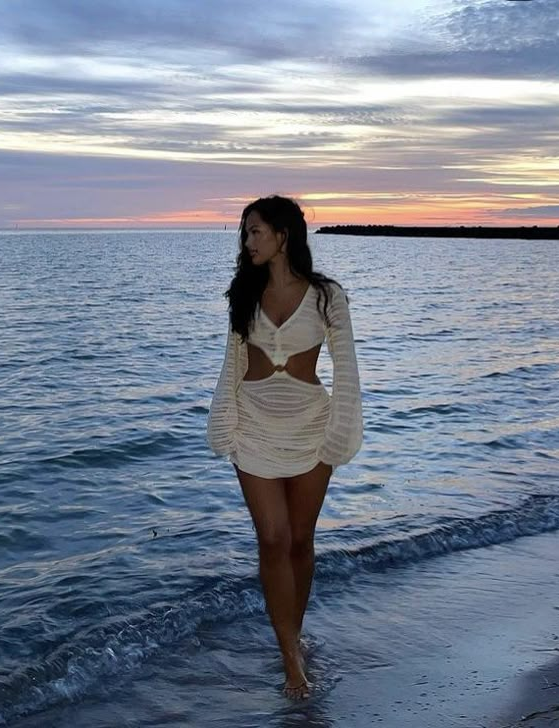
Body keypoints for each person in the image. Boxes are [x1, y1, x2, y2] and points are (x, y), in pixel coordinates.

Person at [207, 195, 363, 699]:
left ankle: (293, 634)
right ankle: (290, 659)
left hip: (310, 426)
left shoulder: (325, 296)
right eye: (245, 233)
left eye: (255, 232)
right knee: (272, 540)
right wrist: (224, 425)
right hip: (253, 425)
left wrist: (342, 430)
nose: (247, 241)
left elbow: (347, 369)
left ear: (282, 235)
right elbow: (232, 367)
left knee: (300, 540)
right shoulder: (243, 293)